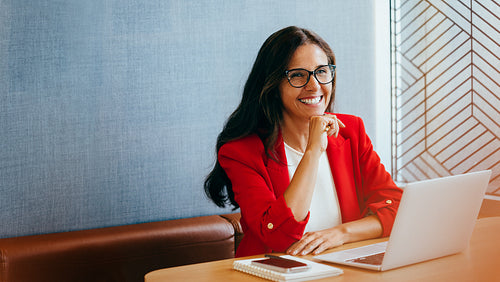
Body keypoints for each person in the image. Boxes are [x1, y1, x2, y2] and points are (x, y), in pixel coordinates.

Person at [204, 26, 403, 257]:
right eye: (298, 75)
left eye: (322, 71)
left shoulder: (351, 131)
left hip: (347, 271)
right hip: (275, 273)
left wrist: (339, 234)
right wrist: (312, 151)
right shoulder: (241, 152)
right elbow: (278, 235)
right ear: (273, 85)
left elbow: (397, 208)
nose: (315, 85)